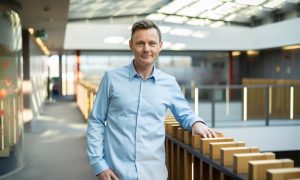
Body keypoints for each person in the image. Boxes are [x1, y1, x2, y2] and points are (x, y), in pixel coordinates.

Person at [87, 19, 217, 180]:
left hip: (154, 174)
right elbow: (96, 121)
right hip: (115, 173)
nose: (146, 49)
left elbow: (185, 113)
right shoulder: (111, 79)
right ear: (131, 45)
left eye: (152, 43)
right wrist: (99, 164)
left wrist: (196, 123)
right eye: (140, 43)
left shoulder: (169, 83)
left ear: (160, 46)